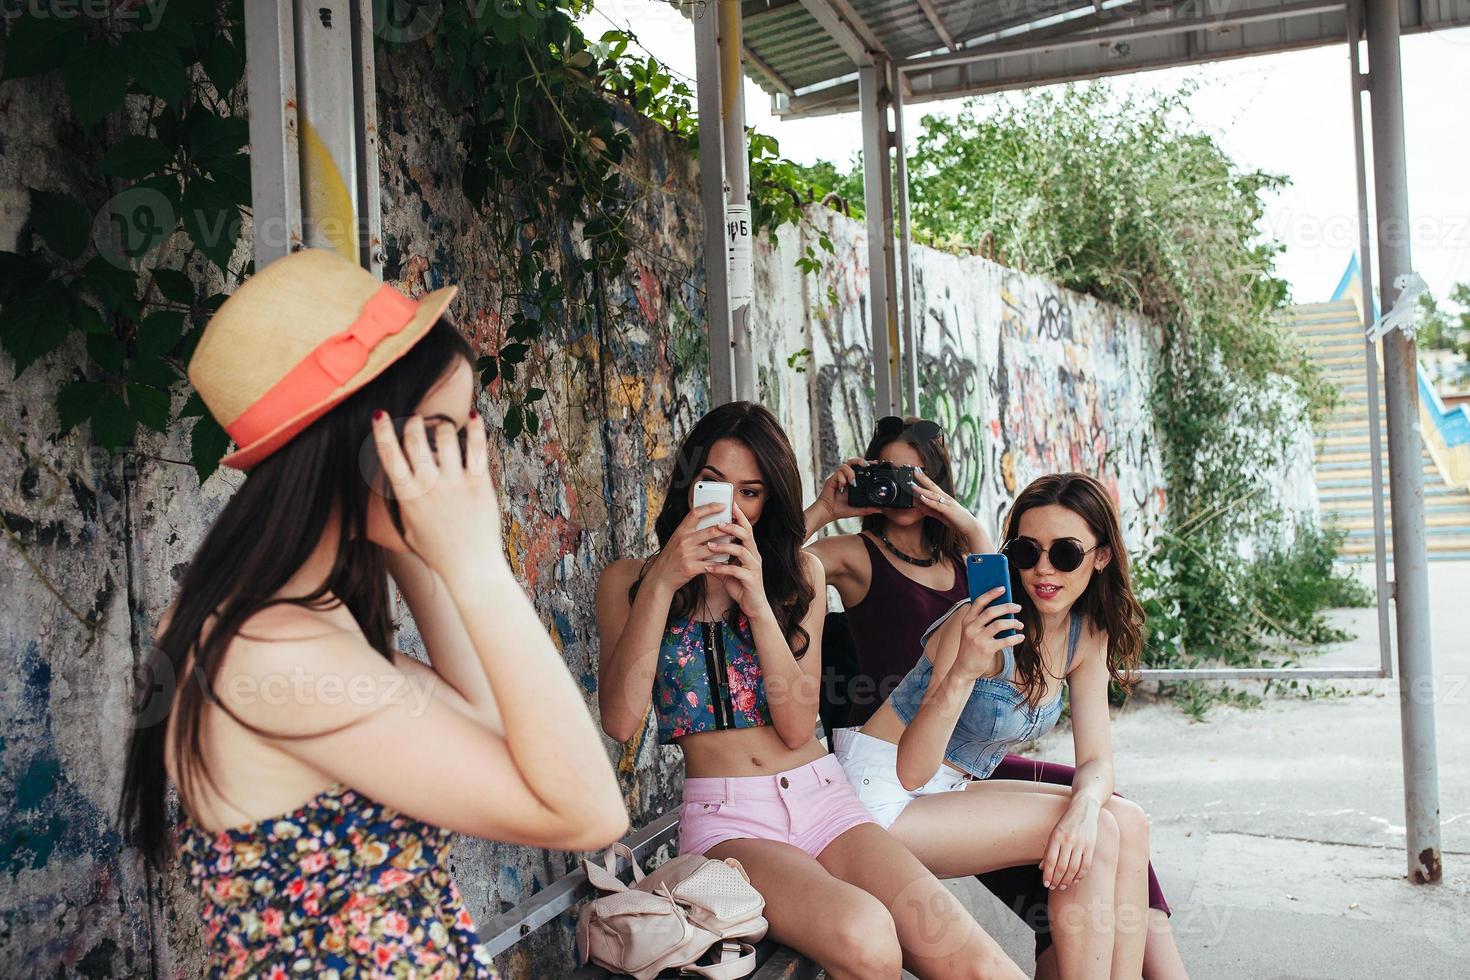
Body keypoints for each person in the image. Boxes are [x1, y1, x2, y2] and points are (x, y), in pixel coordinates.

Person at [118, 250, 629, 979]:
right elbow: (588, 813)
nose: (466, 464)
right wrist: (475, 566)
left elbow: (492, 727)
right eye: (444, 432)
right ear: (362, 441)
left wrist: (423, 553)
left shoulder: (291, 621)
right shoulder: (272, 650)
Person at [597, 402, 1027, 980]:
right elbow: (621, 722)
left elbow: (799, 726)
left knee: (976, 961)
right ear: (688, 484)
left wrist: (755, 600)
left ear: (767, 501)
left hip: (824, 799)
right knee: (867, 936)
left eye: (749, 492)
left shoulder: (798, 577)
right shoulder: (629, 581)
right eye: (712, 485)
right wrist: (666, 580)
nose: (729, 506)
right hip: (731, 822)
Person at [808, 426, 1185, 979]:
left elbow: (1097, 761)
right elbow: (911, 770)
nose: (1043, 571)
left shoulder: (1086, 633)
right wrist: (961, 668)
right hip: (882, 796)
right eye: (1026, 552)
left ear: (1101, 557)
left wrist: (1083, 806)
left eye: (1064, 553)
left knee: (1121, 817)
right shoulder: (980, 621)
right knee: (1103, 831)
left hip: (948, 787)